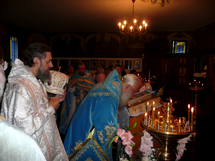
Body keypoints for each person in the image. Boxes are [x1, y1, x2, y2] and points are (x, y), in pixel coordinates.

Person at [1, 43, 68, 161]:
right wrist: (51, 108)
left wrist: (52, 102)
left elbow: (35, 110)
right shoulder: (20, 87)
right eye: (48, 61)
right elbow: (25, 128)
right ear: (36, 61)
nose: (51, 65)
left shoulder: (34, 82)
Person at [64, 70, 141, 160]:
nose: (133, 94)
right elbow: (106, 127)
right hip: (87, 137)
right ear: (128, 87)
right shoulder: (110, 96)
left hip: (81, 128)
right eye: (134, 91)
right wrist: (120, 133)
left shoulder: (108, 87)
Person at [59, 61, 95, 134]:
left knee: (85, 119)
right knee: (75, 119)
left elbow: (93, 89)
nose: (81, 70)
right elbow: (69, 90)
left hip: (86, 102)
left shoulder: (90, 78)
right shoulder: (74, 77)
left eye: (83, 68)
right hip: (75, 102)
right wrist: (72, 84)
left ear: (85, 68)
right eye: (80, 69)